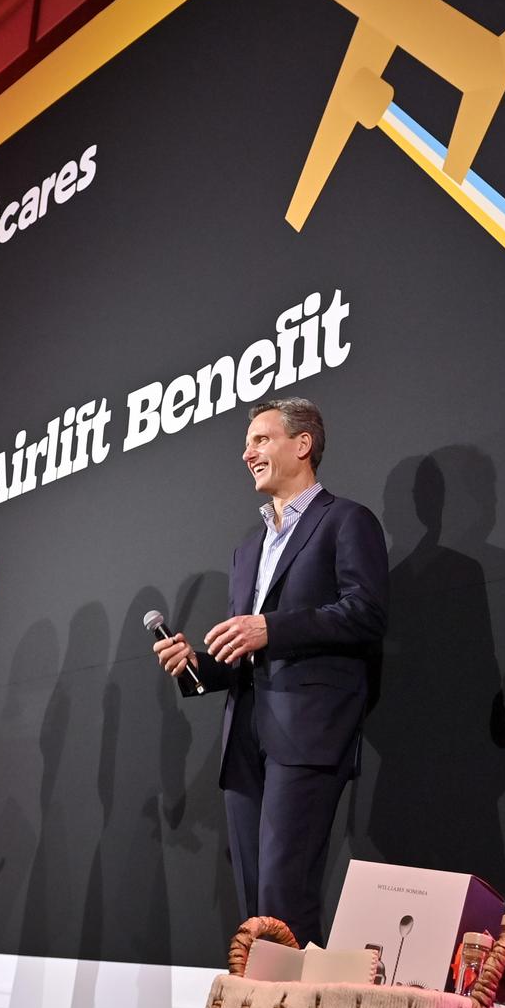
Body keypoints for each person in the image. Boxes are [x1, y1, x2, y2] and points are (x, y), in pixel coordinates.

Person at [151, 397, 388, 945]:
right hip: (247, 737)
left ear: (302, 445)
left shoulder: (345, 520)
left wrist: (270, 628)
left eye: (260, 439)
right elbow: (249, 657)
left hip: (308, 732)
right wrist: (199, 667)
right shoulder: (248, 548)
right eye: (247, 442)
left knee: (285, 898)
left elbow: (367, 612)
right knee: (255, 903)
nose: (246, 452)